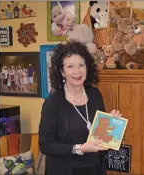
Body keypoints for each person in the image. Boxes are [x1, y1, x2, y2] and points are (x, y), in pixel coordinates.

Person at [38, 41, 122, 175]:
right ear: (62, 72)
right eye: (70, 66)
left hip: (95, 168)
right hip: (64, 170)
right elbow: (45, 145)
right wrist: (80, 148)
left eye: (81, 65)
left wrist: (112, 124)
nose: (77, 71)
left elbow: (100, 137)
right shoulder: (52, 103)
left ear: (87, 68)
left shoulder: (95, 94)